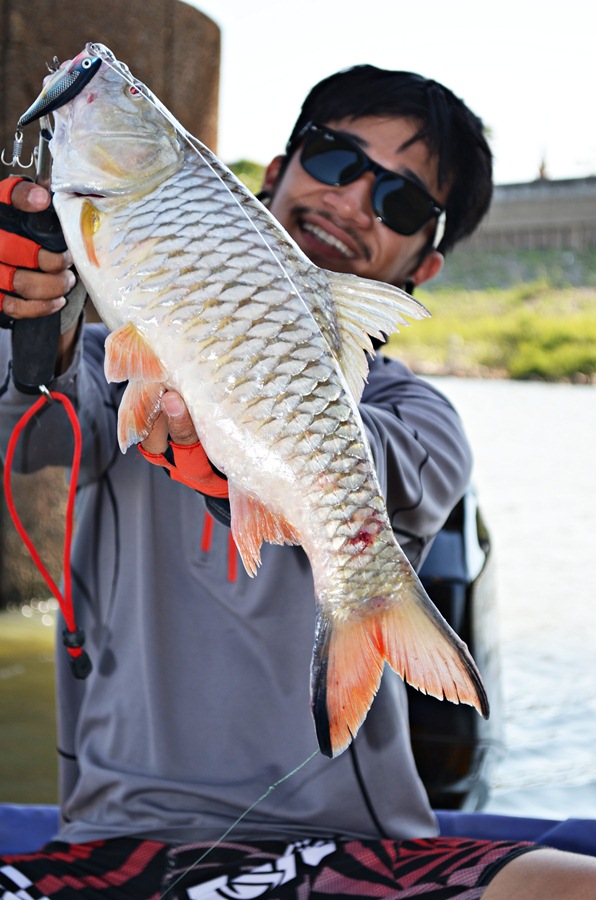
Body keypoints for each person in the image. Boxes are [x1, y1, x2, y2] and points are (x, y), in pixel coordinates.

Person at [0, 64, 594, 899]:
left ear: (424, 266)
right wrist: (35, 332)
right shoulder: (99, 365)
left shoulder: (420, 415)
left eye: (402, 203)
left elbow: (381, 469)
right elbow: (26, 436)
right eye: (336, 159)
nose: (353, 201)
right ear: (274, 174)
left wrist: (245, 463)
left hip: (346, 845)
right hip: (113, 840)